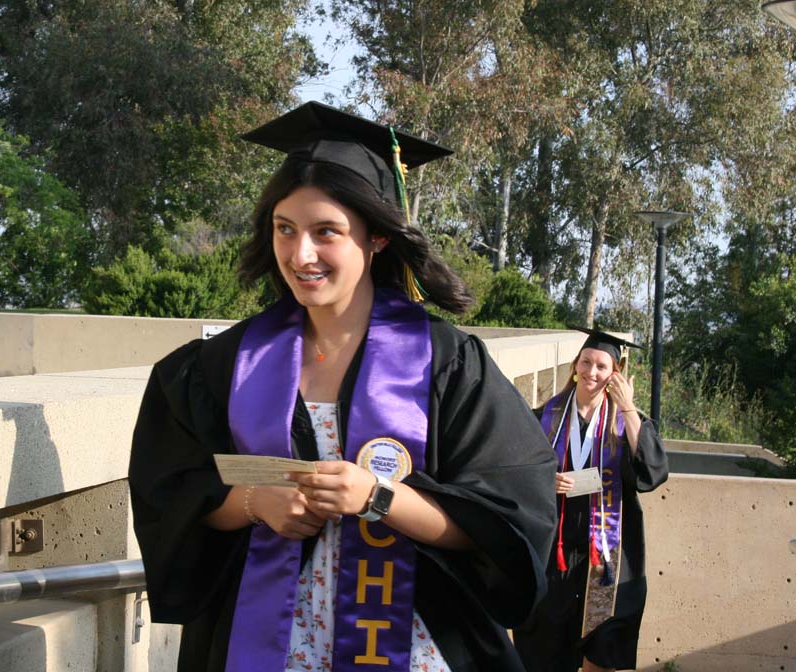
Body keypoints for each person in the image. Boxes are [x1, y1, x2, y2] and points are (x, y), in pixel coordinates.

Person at [128, 101, 558, 672]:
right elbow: (174, 492)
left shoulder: (446, 363)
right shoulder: (220, 367)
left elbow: (506, 524)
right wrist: (256, 502)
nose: (300, 254)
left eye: (325, 231)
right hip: (265, 641)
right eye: (285, 229)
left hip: (413, 639)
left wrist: (377, 497)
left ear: (376, 236)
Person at [513, 328, 670, 672]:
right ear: (575, 366)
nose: (592, 372)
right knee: (543, 654)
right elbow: (515, 472)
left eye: (602, 366)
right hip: (554, 558)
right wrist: (543, 480)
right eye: (586, 363)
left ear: (615, 374)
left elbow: (653, 472)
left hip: (606, 561)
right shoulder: (544, 418)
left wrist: (628, 407)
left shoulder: (626, 423)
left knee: (602, 652)